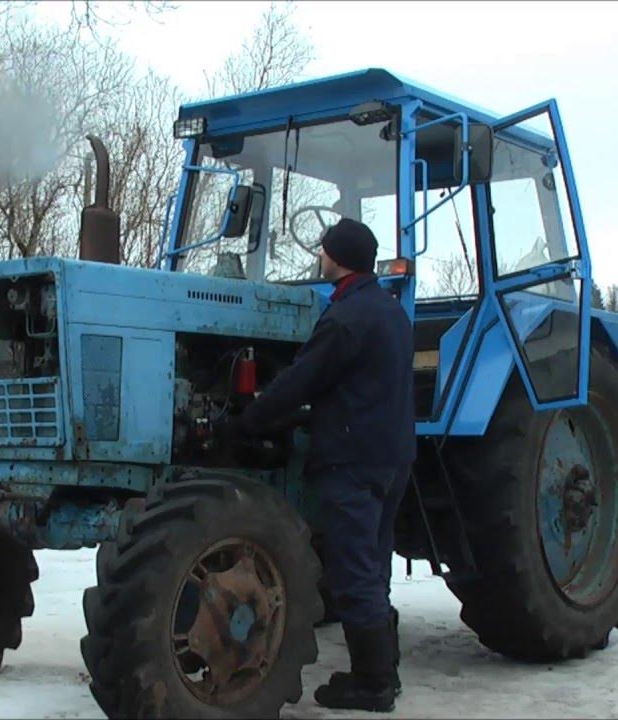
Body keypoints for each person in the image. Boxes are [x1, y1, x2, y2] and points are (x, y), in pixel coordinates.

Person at [230, 217, 415, 713]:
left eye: (325, 249)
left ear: (340, 257)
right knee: (373, 567)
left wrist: (251, 421)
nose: (320, 255)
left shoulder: (345, 319)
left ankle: (373, 685)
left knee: (353, 572)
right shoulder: (392, 312)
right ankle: (385, 673)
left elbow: (302, 380)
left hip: (352, 460)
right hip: (392, 457)